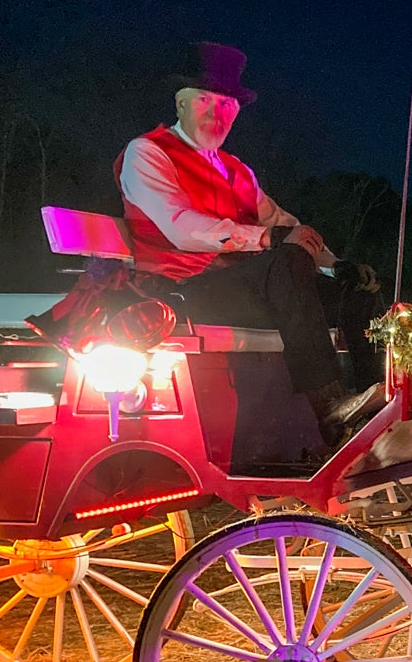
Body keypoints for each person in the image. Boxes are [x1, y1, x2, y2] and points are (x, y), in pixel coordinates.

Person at [115, 42, 384, 447]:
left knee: (358, 287)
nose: (214, 112)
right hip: (183, 292)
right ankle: (330, 404)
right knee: (285, 262)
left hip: (248, 288)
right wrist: (266, 238)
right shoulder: (148, 152)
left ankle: (375, 401)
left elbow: (287, 225)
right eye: (203, 99)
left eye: (225, 105)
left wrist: (334, 265)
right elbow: (180, 226)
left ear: (236, 113)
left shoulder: (237, 170)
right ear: (181, 104)